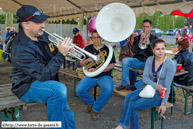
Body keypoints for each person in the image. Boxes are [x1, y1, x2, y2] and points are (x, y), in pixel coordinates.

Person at [11, 5, 75, 129]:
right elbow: (44, 74)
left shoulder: (42, 35)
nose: (43, 25)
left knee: (66, 112)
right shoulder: (20, 49)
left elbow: (51, 57)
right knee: (58, 90)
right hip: (26, 85)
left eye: (43, 21)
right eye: (38, 22)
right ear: (26, 24)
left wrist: (63, 50)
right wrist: (61, 54)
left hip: (45, 81)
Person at [115, 39, 176, 129]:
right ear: (153, 50)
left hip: (159, 95)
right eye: (158, 49)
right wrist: (155, 85)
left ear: (165, 49)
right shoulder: (150, 60)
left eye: (163, 48)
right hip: (148, 89)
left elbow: (167, 86)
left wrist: (163, 104)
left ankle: (123, 126)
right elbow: (145, 78)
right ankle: (122, 125)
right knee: (129, 97)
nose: (160, 51)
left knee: (134, 105)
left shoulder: (170, 64)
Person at [75, 30, 116, 120]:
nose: (96, 39)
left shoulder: (108, 49)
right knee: (79, 90)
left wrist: (99, 70)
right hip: (90, 75)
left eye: (98, 37)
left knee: (108, 89)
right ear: (91, 38)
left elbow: (112, 65)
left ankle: (95, 109)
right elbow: (81, 63)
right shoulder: (87, 48)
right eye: (94, 37)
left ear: (101, 38)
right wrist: (87, 61)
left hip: (105, 75)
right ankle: (91, 104)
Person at [116, 19, 158, 91]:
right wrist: (140, 41)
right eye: (144, 26)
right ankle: (124, 84)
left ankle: (136, 85)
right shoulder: (137, 38)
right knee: (125, 61)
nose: (145, 28)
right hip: (137, 60)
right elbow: (134, 50)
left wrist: (149, 44)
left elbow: (154, 54)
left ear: (151, 28)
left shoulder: (155, 39)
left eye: (147, 27)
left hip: (148, 62)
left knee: (154, 72)